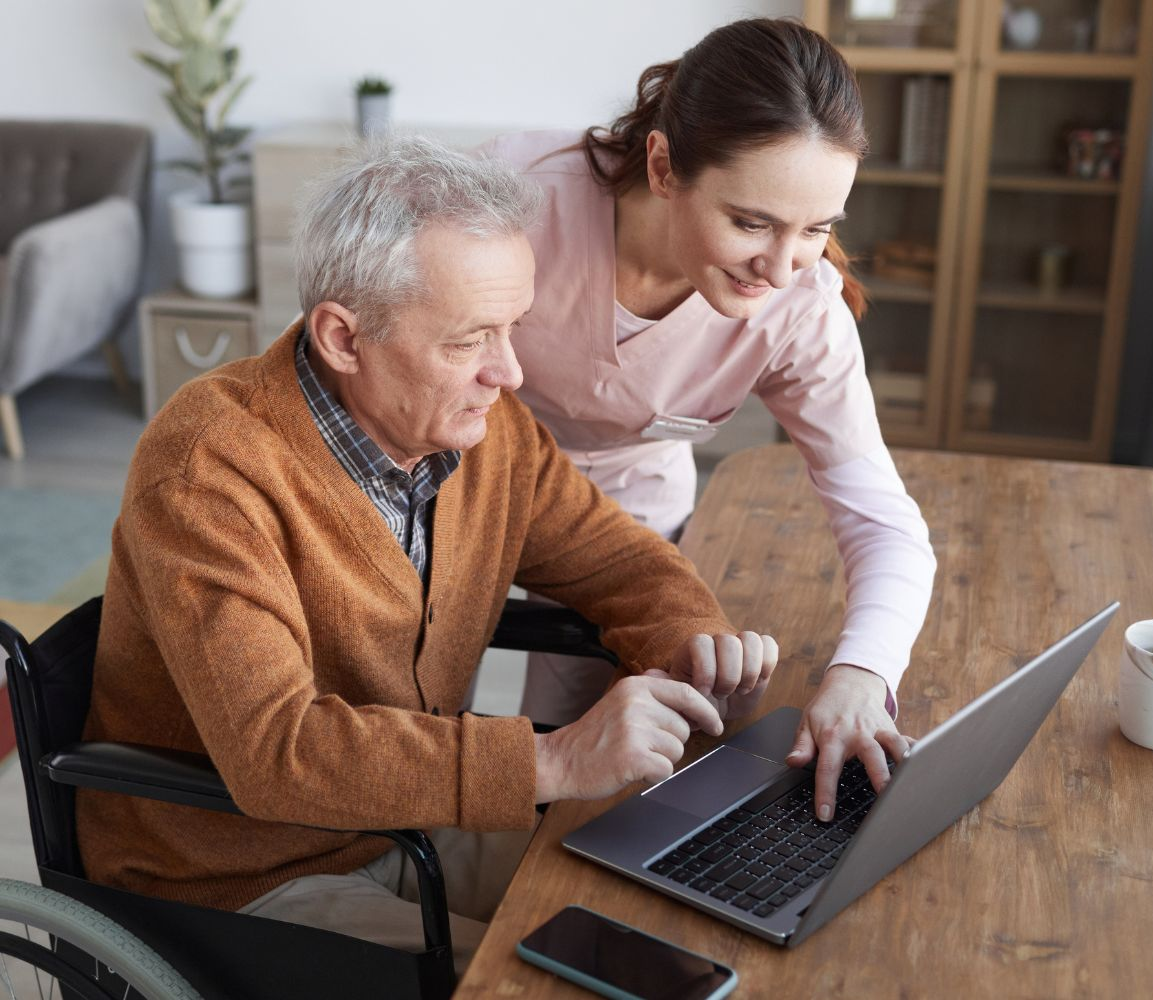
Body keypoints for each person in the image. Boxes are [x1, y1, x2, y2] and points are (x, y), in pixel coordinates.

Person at [76, 134, 778, 974]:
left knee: (676, 901)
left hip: (408, 823)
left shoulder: (485, 433)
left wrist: (693, 638)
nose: (509, 372)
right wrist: (550, 759)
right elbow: (277, 753)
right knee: (559, 980)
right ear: (344, 338)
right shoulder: (208, 468)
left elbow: (611, 557)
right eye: (469, 341)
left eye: (513, 328)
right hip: (239, 872)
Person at [480, 16, 937, 823]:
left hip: (626, 525)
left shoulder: (799, 309)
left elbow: (882, 519)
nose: (782, 265)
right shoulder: (512, 205)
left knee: (602, 777)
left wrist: (864, 673)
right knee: (445, 733)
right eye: (752, 222)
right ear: (662, 165)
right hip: (463, 491)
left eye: (818, 229)